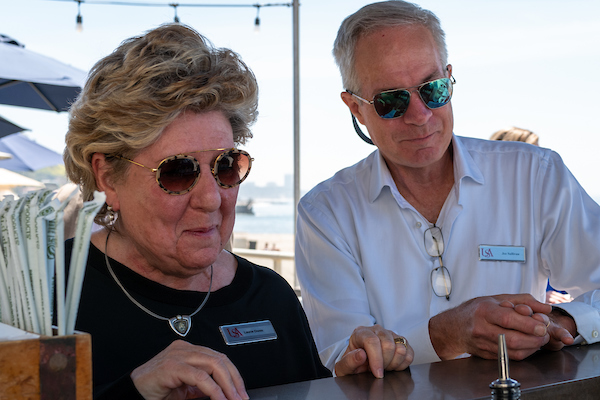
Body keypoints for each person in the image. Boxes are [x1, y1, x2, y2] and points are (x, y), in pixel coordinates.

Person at [295, 0, 600, 375]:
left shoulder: (535, 174)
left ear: (450, 79)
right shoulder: (326, 212)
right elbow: (342, 355)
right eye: (392, 101)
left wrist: (562, 323)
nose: (420, 116)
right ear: (355, 108)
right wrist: (444, 335)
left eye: (433, 89)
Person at [63, 24, 330, 399]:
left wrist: (353, 383)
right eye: (177, 171)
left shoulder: (271, 298)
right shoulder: (46, 297)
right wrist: (133, 392)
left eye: (225, 166)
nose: (211, 198)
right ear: (107, 177)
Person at [489, 127, 572, 305]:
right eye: (531, 154)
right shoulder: (487, 217)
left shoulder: (548, 212)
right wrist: (543, 298)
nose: (539, 165)